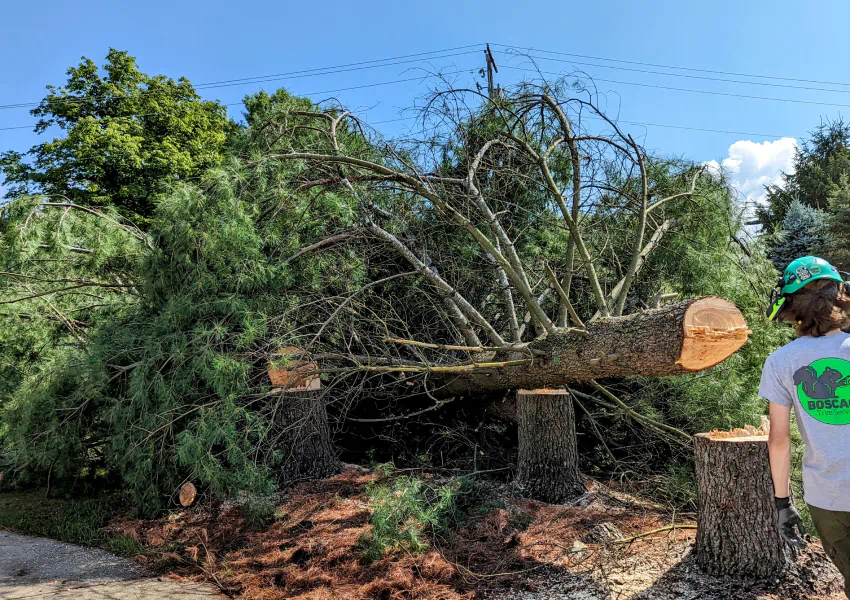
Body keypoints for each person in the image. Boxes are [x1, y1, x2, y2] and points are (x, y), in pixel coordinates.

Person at [760, 255, 850, 597]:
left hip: (826, 498)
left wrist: (783, 503)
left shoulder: (781, 361)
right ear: (839, 296)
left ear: (792, 307)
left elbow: (778, 442)